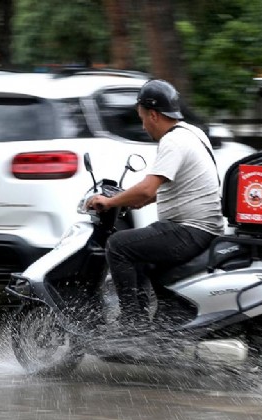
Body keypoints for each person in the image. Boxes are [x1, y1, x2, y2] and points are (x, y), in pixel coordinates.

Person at [86, 79, 224, 331]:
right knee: (141, 245)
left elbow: (148, 187)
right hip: (202, 229)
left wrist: (109, 201)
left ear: (153, 114)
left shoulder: (173, 142)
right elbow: (174, 187)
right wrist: (135, 200)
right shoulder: (193, 133)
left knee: (118, 246)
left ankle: (132, 325)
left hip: (190, 230)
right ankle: (160, 324)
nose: (143, 125)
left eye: (142, 118)